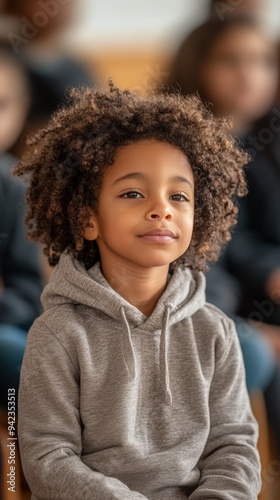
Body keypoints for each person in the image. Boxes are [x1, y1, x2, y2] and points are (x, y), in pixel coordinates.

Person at [15, 82, 260, 499]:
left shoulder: (216, 331)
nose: (161, 207)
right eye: (133, 192)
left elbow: (233, 447)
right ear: (87, 218)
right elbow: (47, 459)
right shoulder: (57, 333)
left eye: (179, 195)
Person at [166, 14, 280, 455]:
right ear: (197, 65)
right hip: (216, 299)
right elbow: (207, 249)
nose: (249, 74)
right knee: (256, 350)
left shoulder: (269, 139)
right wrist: (269, 269)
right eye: (230, 60)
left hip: (261, 295)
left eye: (263, 61)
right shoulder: (183, 151)